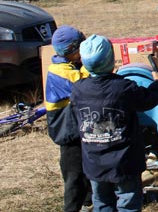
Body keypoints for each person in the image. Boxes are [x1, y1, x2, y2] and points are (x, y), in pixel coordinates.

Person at [71, 34, 158, 212]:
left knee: (102, 203)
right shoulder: (123, 87)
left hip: (94, 161)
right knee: (128, 202)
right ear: (110, 60)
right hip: (124, 161)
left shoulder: (78, 89)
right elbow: (148, 100)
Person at [45, 26, 92, 212]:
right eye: (82, 47)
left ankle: (89, 201)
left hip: (76, 128)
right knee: (74, 176)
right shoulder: (60, 72)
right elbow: (85, 85)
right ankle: (71, 208)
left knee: (87, 169)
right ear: (71, 51)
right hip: (67, 132)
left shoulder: (69, 66)